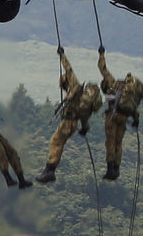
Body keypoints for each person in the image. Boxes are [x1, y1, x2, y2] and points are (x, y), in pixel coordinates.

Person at [37, 47, 102, 183]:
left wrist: (62, 55)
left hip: (67, 122)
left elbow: (68, 69)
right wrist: (84, 129)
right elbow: (84, 118)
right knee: (58, 143)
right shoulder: (82, 99)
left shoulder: (74, 86)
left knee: (55, 142)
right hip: (72, 124)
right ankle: (49, 170)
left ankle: (50, 170)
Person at [97, 46, 143, 180]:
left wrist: (101, 54)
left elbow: (102, 68)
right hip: (123, 119)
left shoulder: (110, 83)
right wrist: (136, 119)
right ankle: (117, 169)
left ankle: (110, 169)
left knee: (111, 143)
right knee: (119, 143)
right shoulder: (125, 90)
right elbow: (133, 109)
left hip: (112, 117)